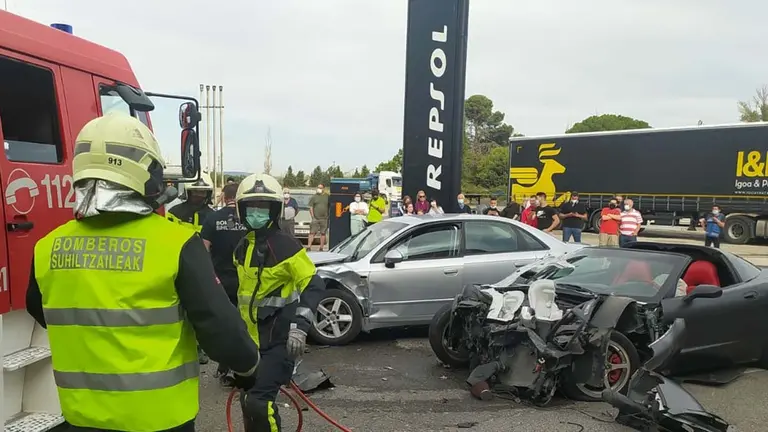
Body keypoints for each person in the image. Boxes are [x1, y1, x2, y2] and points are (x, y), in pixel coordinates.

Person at [25, 113, 259, 432]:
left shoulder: (47, 247)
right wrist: (250, 368)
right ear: (143, 172)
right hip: (160, 420)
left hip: (82, 419)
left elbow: (43, 310)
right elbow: (220, 327)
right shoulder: (175, 243)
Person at [232, 173, 325, 432]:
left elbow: (314, 284)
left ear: (275, 211)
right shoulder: (242, 248)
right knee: (247, 402)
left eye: (263, 208)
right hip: (250, 344)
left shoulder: (287, 246)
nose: (256, 214)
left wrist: (300, 326)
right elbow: (238, 296)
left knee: (259, 403)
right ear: (242, 210)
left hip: (278, 343)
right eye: (251, 208)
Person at [200, 182, 250, 387]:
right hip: (247, 278)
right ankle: (246, 366)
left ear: (223, 196)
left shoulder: (212, 218)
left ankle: (224, 365)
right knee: (245, 324)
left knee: (225, 324)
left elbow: (204, 250)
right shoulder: (248, 218)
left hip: (220, 279)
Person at [166, 170, 216, 364]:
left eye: (203, 192)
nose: (199, 196)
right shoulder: (174, 213)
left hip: (205, 267)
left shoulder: (212, 216)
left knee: (203, 310)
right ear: (188, 192)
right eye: (196, 192)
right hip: (178, 266)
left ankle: (202, 348)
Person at [307, 183, 329, 251]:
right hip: (315, 218)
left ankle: (321, 247)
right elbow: (310, 207)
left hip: (324, 219)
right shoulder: (314, 197)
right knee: (312, 232)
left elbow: (330, 206)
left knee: (323, 233)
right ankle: (309, 246)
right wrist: (313, 216)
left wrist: (328, 216)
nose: (319, 189)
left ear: (323, 189)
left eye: (320, 187)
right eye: (318, 187)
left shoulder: (327, 196)